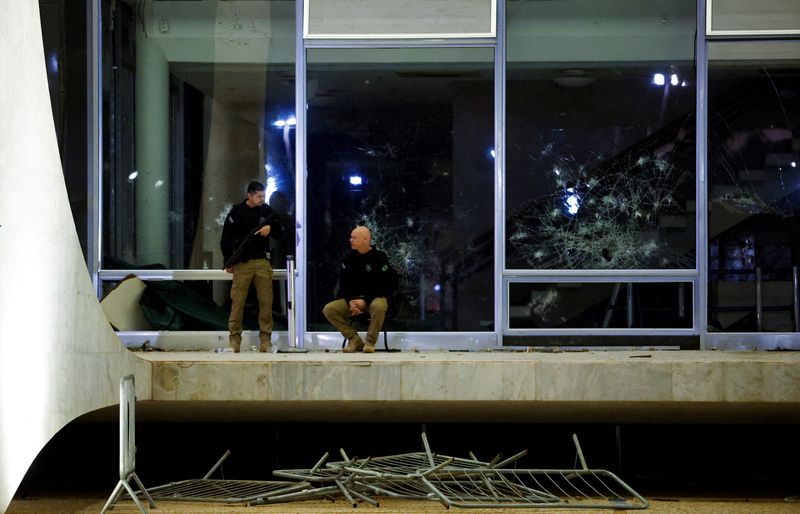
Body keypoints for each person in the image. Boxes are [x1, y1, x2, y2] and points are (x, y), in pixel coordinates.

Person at [221, 181, 283, 353]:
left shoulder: (266, 211)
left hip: (262, 261)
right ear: (249, 195)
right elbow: (226, 238)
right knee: (237, 302)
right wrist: (229, 260)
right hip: (243, 263)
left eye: (263, 196)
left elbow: (280, 231)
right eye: (258, 196)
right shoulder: (237, 212)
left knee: (266, 302)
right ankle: (234, 340)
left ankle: (266, 339)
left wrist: (270, 229)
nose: (262, 199)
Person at [323, 226, 396, 353]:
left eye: (354, 237)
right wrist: (351, 301)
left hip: (374, 298)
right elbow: (344, 285)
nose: (350, 240)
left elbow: (385, 285)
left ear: (366, 239)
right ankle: (354, 339)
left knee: (379, 306)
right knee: (329, 309)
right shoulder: (348, 259)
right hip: (354, 301)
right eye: (351, 237)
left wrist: (365, 301)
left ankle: (370, 341)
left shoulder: (380, 257)